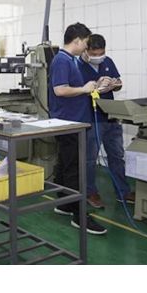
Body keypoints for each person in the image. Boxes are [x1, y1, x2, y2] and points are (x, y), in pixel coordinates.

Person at [48, 22, 107, 235]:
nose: (86, 47)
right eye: (85, 43)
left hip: (73, 120)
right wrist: (83, 89)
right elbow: (60, 90)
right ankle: (79, 215)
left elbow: (71, 88)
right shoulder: (62, 60)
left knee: (66, 164)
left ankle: (65, 203)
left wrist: (93, 86)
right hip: (68, 121)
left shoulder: (70, 60)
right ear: (77, 40)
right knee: (75, 168)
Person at [78, 33, 135, 208]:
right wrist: (96, 86)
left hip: (110, 116)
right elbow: (77, 91)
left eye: (101, 53)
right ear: (86, 50)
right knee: (90, 158)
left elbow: (119, 83)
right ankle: (90, 192)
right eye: (94, 54)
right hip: (91, 117)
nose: (98, 57)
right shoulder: (77, 66)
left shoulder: (107, 62)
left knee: (117, 155)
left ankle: (123, 191)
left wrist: (113, 85)